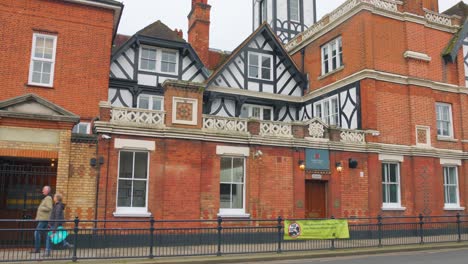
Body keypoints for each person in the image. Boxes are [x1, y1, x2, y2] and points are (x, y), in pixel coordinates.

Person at [31, 186, 53, 254]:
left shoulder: (48, 198)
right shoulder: (45, 198)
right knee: (46, 234)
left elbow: (49, 208)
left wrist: (41, 208)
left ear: (47, 191)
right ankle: (48, 249)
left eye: (44, 190)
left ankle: (37, 249)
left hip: (44, 219)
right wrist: (37, 217)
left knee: (37, 232)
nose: (42, 191)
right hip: (43, 219)